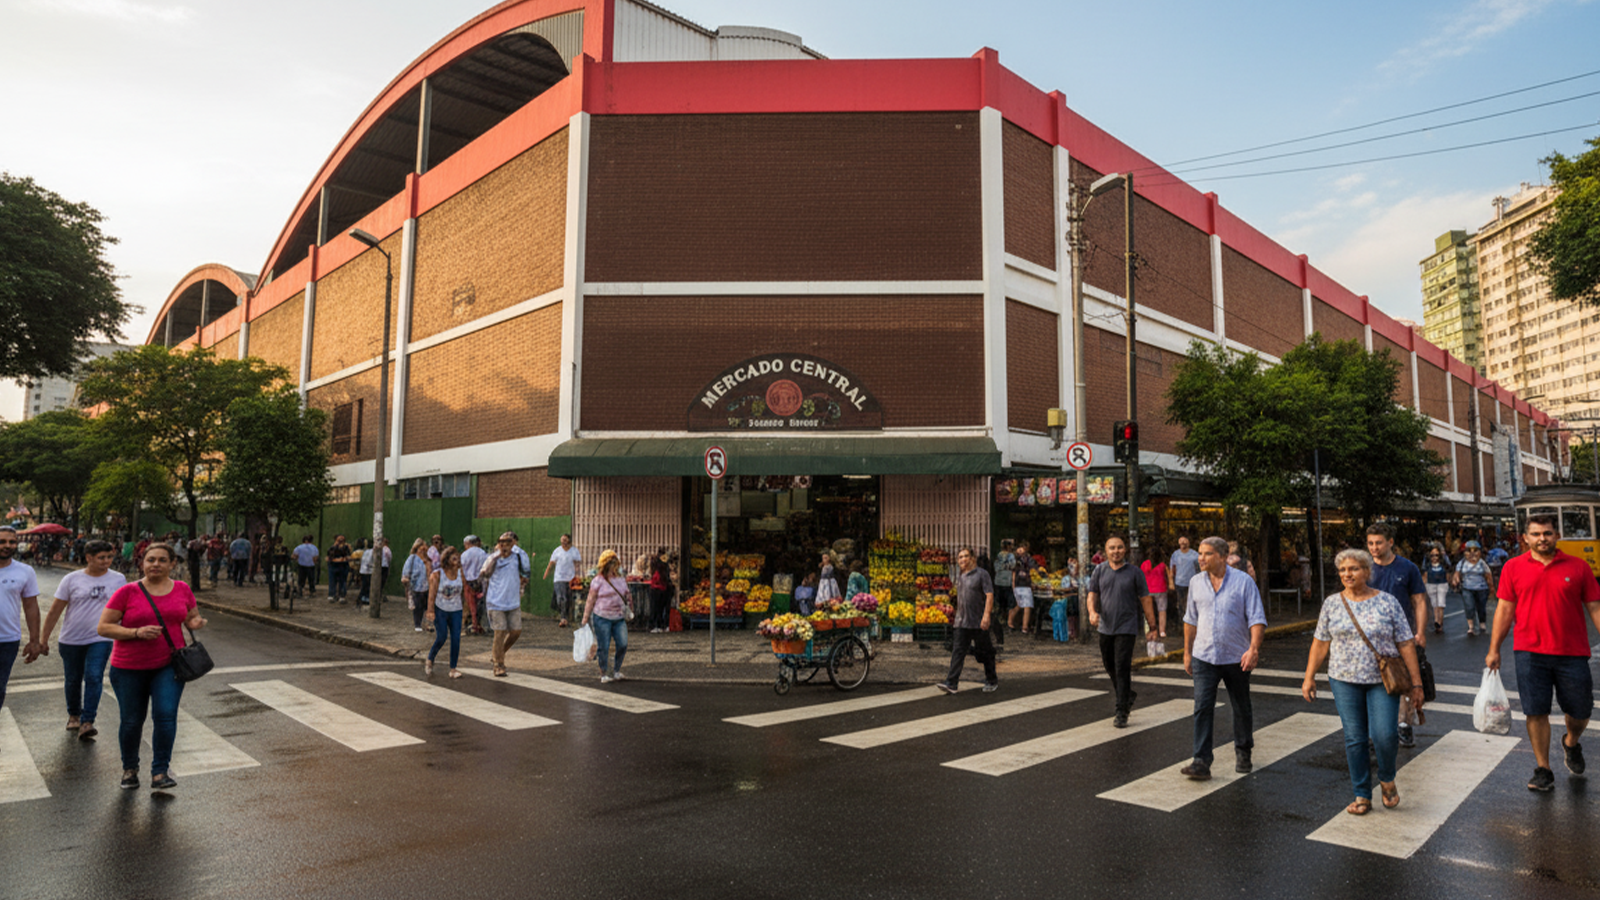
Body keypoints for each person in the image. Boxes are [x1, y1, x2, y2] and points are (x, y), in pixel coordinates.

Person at [1301, 548, 1426, 815]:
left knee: (1385, 735)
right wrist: (1309, 676)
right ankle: (1361, 794)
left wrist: (1416, 684)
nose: (1348, 574)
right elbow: (1321, 642)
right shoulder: (1332, 603)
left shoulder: (1387, 602)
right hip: (1343, 679)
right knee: (1355, 738)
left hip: (1382, 680)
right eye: (1343, 570)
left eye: (1354, 568)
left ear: (1367, 572)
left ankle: (1387, 778)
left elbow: (1405, 643)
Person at [1487, 513, 1600, 792]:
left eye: (1547, 533)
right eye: (1536, 534)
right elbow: (1504, 609)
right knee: (1536, 710)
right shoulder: (1513, 568)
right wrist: (1494, 649)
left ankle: (1571, 742)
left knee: (1580, 709)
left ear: (1556, 535)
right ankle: (1543, 769)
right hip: (1529, 651)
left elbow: (1595, 607)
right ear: (1525, 538)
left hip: (1572, 652)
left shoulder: (1578, 567)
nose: (1542, 539)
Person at [97, 542, 208, 791]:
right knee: (132, 721)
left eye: (161, 560)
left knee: (166, 716)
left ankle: (160, 771)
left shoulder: (182, 589)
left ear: (172, 564)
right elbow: (104, 627)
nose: (155, 564)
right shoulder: (128, 592)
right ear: (142, 563)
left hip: (169, 665)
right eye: (150, 560)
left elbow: (190, 617)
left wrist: (197, 622)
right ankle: (130, 769)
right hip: (128, 667)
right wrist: (136, 632)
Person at [1180, 537, 1267, 779]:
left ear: (1222, 556)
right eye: (1200, 553)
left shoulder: (1244, 582)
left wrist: (1253, 648)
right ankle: (1201, 760)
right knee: (1202, 707)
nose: (1201, 558)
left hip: (1236, 656)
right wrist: (1187, 652)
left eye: (1207, 554)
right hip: (1204, 656)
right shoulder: (1196, 582)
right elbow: (1190, 619)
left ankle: (1243, 750)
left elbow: (1257, 618)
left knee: (1241, 706)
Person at [38, 539, 126, 740]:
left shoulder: (119, 579)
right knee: (73, 679)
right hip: (71, 639)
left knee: (94, 676)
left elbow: (124, 608)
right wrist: (43, 639)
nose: (106, 561)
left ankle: (88, 721)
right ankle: (74, 715)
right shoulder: (71, 579)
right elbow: (54, 611)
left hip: (101, 637)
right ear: (88, 558)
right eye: (101, 557)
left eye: (109, 557)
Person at [1364, 523, 1429, 748]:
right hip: (1371, 636)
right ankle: (1375, 730)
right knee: (1373, 681)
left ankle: (1404, 724)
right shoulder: (1365, 569)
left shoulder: (1407, 568)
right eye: (1370, 543)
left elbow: (1419, 600)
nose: (1374, 547)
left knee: (1402, 680)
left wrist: (1420, 631)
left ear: (1390, 542)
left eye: (1378, 543)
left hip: (1402, 635)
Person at [1087, 534, 1157, 728]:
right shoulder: (1099, 571)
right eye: (1112, 548)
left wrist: (1153, 626)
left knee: (1121, 666)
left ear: (1124, 550)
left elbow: (1145, 599)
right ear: (1106, 551)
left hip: (1127, 626)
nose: (1116, 551)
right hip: (1105, 626)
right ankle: (1127, 695)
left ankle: (1121, 711)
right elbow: (1092, 594)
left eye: (1119, 548)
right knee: (1109, 665)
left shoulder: (1134, 572)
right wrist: (1092, 612)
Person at [936, 545, 998, 694]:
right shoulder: (960, 576)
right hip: (961, 621)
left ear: (972, 559)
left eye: (965, 556)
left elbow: (989, 595)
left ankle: (991, 680)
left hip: (978, 620)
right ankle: (951, 683)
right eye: (960, 557)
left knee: (985, 652)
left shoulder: (982, 574)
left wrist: (986, 616)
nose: (962, 559)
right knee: (958, 651)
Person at [0, 526, 43, 714]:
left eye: (12, 542)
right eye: (2, 541)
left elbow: (31, 607)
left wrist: (35, 641)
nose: (7, 545)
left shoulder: (25, 571)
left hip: (7, 641)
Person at [482, 532, 532, 676]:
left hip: (513, 601)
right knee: (500, 631)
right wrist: (497, 556)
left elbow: (526, 570)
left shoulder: (518, 556)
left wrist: (518, 551)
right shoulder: (493, 558)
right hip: (496, 601)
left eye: (508, 542)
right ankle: (498, 664)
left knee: (516, 631)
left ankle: (498, 653)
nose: (505, 545)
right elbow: (485, 573)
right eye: (502, 542)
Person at [581, 549, 631, 683]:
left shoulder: (620, 580)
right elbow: (590, 599)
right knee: (604, 646)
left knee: (623, 644)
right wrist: (585, 617)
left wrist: (630, 608)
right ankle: (604, 672)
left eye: (615, 562)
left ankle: (616, 670)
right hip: (602, 616)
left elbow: (627, 594)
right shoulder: (598, 581)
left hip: (619, 617)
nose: (614, 565)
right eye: (611, 562)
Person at [424, 546, 466, 679]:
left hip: (456, 610)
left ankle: (453, 668)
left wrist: (465, 612)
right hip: (441, 609)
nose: (457, 560)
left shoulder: (461, 573)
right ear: (447, 559)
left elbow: (464, 593)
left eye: (458, 558)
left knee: (456, 638)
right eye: (454, 558)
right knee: (441, 637)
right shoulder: (437, 575)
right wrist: (430, 610)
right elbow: (432, 594)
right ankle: (430, 658)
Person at [1452, 540, 1495, 636]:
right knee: (1469, 606)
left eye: (1475, 550)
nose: (1472, 553)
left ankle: (1482, 624)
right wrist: (1456, 580)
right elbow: (1457, 573)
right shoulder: (1462, 563)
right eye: (1469, 550)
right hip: (1467, 588)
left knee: (1481, 607)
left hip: (1481, 588)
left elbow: (1488, 575)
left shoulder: (1482, 563)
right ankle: (1471, 627)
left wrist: (1491, 587)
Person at [544, 533, 583, 628]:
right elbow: (551, 563)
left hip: (570, 578)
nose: (563, 542)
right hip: (559, 578)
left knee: (568, 599)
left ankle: (564, 617)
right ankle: (563, 617)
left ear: (569, 541)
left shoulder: (574, 551)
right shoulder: (557, 551)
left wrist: (578, 575)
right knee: (561, 598)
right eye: (562, 540)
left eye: (565, 540)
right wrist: (546, 573)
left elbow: (577, 564)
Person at [401, 539, 430, 633]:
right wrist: (405, 578)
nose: (424, 549)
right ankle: (417, 623)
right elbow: (406, 570)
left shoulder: (428, 558)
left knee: (428, 605)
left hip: (428, 585)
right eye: (422, 547)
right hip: (416, 585)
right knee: (418, 605)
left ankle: (427, 623)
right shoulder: (412, 558)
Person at [460, 535, 487, 634]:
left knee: (470, 604)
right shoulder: (483, 553)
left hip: (468, 582)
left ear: (467, 543)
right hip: (480, 581)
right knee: (479, 603)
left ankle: (472, 625)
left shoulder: (464, 554)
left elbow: (462, 569)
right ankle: (477, 624)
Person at [1141, 548, 1171, 639]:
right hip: (1161, 589)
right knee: (1162, 610)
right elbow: (1168, 576)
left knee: (1148, 611)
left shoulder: (1144, 564)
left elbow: (1141, 576)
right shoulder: (1163, 565)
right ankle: (1162, 631)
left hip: (1147, 590)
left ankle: (1150, 630)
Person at [1422, 545, 1451, 635]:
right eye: (1432, 555)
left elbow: (1448, 573)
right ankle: (1436, 621)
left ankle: (1440, 622)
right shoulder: (1427, 565)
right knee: (1434, 604)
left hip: (1442, 584)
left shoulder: (1443, 564)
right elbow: (1425, 576)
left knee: (1440, 604)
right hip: (1431, 584)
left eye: (1436, 555)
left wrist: (1449, 582)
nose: (1434, 557)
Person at [1169, 536, 1200, 619]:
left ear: (1189, 542)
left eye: (1185, 541)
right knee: (1181, 602)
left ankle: (1192, 618)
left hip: (1192, 583)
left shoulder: (1194, 554)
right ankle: (1182, 620)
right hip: (1179, 583)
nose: (1183, 543)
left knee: (1192, 602)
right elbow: (1172, 569)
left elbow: (1199, 568)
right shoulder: (1175, 554)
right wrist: (1171, 582)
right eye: (1181, 541)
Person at [1010, 540, 1036, 635]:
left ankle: (1013, 623)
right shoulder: (1021, 560)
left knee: (1021, 606)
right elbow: (1013, 574)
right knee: (1025, 606)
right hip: (1022, 585)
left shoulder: (1021, 560)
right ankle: (1023, 627)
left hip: (1022, 585)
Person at [648, 547, 673, 634]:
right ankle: (656, 625)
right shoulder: (659, 565)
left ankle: (658, 625)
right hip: (658, 589)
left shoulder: (660, 565)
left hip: (660, 588)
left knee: (658, 608)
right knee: (657, 608)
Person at [327, 534, 352, 603]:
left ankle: (341, 596)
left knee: (342, 581)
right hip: (334, 566)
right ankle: (332, 595)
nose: (340, 541)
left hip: (342, 566)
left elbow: (348, 556)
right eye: (339, 540)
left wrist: (344, 559)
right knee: (333, 581)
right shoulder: (332, 548)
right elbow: (329, 556)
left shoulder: (346, 548)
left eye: (342, 540)